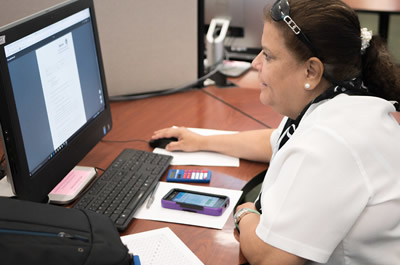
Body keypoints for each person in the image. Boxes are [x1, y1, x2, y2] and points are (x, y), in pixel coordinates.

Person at [151, 0, 400, 264]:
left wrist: (245, 214)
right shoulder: (335, 104)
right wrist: (202, 140)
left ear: (311, 71)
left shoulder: (331, 141)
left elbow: (270, 258)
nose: (256, 63)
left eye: (268, 55)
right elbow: (274, 142)